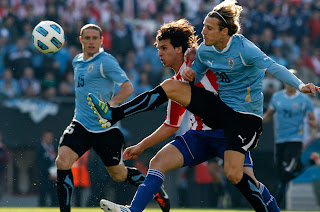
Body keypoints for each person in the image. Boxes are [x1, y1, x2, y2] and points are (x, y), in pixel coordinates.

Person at [87, 1, 320, 211]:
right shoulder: (197, 63)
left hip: (239, 124)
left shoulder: (234, 51)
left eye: (163, 48)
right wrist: (190, 72)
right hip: (206, 129)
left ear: (179, 49)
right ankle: (114, 116)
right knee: (158, 159)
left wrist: (300, 86)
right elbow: (171, 122)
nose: (159, 54)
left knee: (239, 176)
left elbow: (272, 66)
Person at [55, 24, 169, 212]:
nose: (91, 41)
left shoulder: (106, 62)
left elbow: (128, 88)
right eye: (87, 38)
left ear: (101, 41)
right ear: (81, 40)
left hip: (104, 128)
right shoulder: (77, 61)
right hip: (81, 124)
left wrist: (111, 104)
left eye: (94, 38)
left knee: (119, 174)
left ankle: (156, 191)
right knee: (62, 161)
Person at [263, 69, 318, 207]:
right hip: (280, 140)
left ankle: (274, 205)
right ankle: (310, 162)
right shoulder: (277, 98)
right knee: (282, 174)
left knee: (285, 175)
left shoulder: (304, 100)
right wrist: (257, 121)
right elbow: (269, 115)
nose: (289, 83)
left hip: (295, 140)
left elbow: (313, 120)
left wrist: (312, 123)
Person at [36, 130, 59, 207]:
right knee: (43, 196)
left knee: (55, 197)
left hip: (55, 177)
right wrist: (48, 173)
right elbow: (40, 163)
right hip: (44, 177)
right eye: (48, 137)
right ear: (43, 137)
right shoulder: (40, 149)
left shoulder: (55, 148)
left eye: (51, 137)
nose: (50, 138)